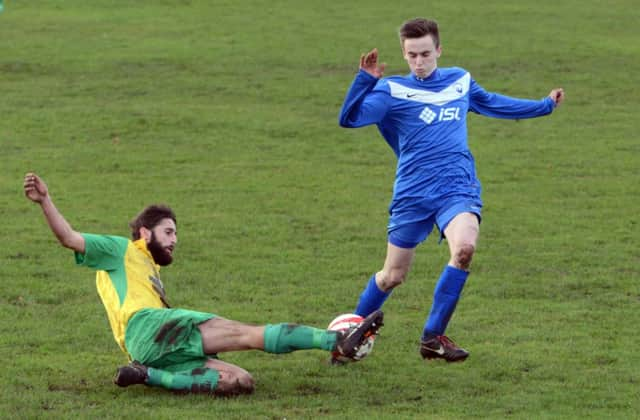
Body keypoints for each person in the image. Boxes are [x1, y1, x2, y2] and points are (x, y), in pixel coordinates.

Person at [23, 172, 384, 396]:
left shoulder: (149, 269)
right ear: (144, 232)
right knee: (245, 334)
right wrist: (46, 201)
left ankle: (149, 376)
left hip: (147, 348)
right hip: (147, 326)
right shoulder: (120, 250)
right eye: (168, 232)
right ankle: (335, 340)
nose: (175, 239)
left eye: (176, 233)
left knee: (240, 382)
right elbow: (70, 238)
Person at [338, 18, 564, 362]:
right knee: (392, 276)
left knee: (464, 250)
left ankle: (433, 337)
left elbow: (494, 103)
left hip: (457, 187)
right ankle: (348, 336)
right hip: (413, 193)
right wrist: (365, 80)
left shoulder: (460, 81)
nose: (418, 61)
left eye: (425, 53)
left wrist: (544, 105)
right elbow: (349, 118)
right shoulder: (392, 91)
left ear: (439, 50)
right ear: (404, 53)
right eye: (411, 55)